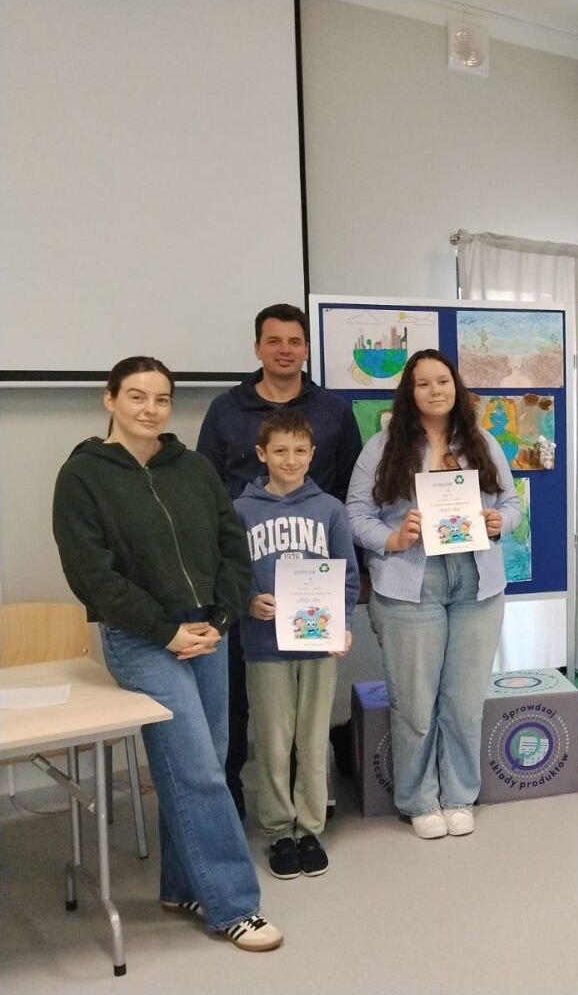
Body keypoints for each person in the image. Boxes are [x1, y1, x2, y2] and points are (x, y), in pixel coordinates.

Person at [51, 357, 282, 951]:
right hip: (142, 639)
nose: (150, 409)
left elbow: (233, 547)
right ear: (110, 400)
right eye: (136, 396)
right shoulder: (82, 476)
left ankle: (182, 886)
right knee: (198, 771)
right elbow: (93, 576)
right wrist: (165, 631)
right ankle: (235, 905)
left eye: (161, 399)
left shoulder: (194, 467)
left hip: (209, 630)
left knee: (204, 763)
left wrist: (221, 618)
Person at [197, 303, 362, 819]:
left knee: (308, 720)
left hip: (314, 590)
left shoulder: (334, 410)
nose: (284, 350)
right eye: (274, 340)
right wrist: (232, 588)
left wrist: (340, 607)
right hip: (247, 586)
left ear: (306, 349)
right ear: (257, 347)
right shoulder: (225, 410)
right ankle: (243, 805)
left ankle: (307, 810)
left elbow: (351, 488)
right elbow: (206, 492)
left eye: (294, 341)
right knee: (244, 704)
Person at [346, 349, 519, 839]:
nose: (435, 390)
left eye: (442, 381)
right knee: (415, 704)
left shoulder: (481, 441)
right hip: (410, 584)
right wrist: (393, 537)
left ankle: (459, 795)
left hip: (476, 585)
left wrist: (499, 521)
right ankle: (419, 801)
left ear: (455, 387)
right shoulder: (382, 446)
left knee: (464, 702)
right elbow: (355, 514)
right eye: (423, 383)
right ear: (409, 392)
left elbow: (512, 503)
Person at [233, 409, 360, 880]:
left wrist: (344, 624)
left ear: (312, 454)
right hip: (265, 648)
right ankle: (278, 831)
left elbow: (347, 575)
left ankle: (310, 828)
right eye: (280, 451)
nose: (290, 459)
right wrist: (249, 601)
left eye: (300, 451)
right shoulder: (241, 511)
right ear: (262, 454)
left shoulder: (330, 509)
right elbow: (231, 573)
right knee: (272, 741)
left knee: (311, 739)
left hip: (319, 646)